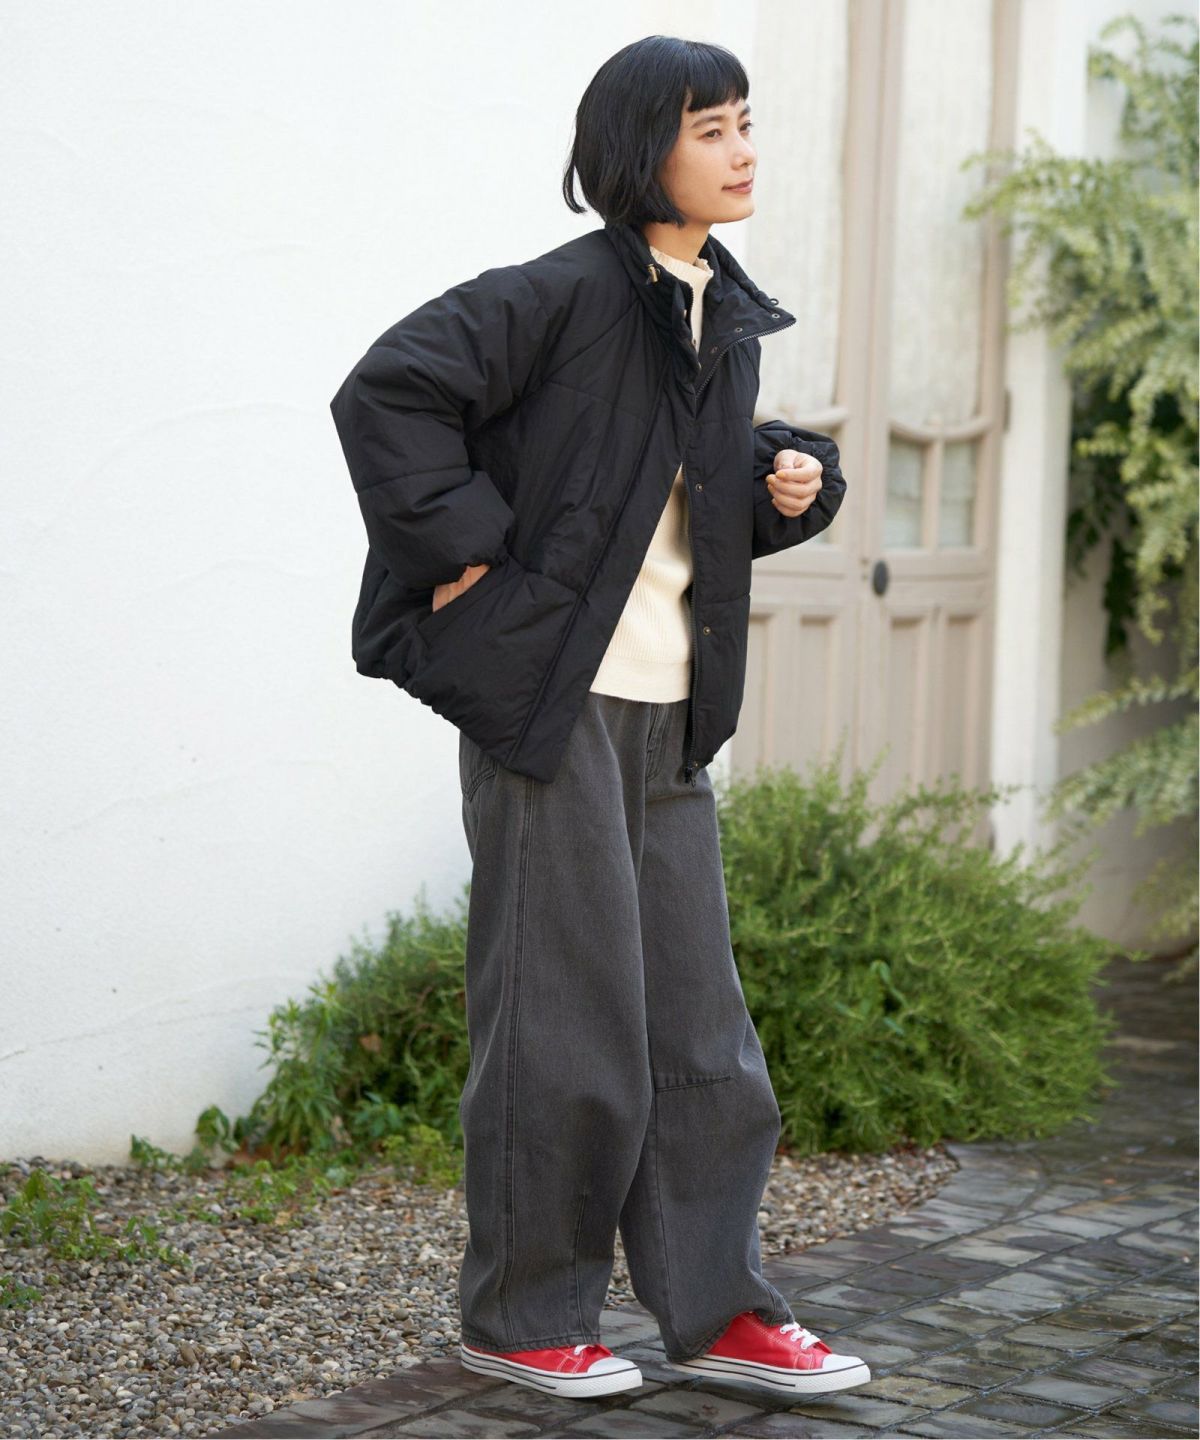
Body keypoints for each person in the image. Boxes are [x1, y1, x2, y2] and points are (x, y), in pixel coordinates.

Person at [329, 33, 869, 1404]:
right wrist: (462, 555)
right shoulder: (559, 294)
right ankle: (524, 1316)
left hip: (672, 715)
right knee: (562, 1026)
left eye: (746, 123)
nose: (743, 151)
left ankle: (719, 1310)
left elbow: (653, 487)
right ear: (642, 150)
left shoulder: (717, 317)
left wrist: (786, 481)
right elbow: (389, 391)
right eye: (712, 128)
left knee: (699, 1036)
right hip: (555, 711)